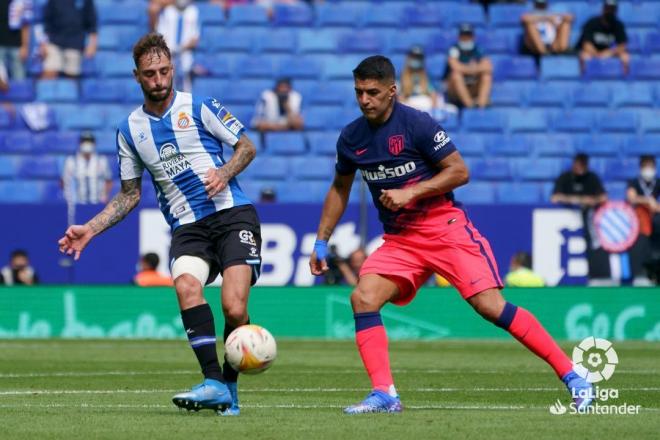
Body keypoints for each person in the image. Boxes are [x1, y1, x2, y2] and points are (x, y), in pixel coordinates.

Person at [309, 55, 593, 414]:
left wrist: (411, 192)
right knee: (363, 298)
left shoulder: (418, 125)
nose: (365, 99)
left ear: (392, 91)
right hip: (401, 240)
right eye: (359, 92)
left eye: (373, 92)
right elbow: (339, 188)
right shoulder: (351, 137)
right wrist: (321, 240)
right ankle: (385, 394)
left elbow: (460, 171)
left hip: (445, 227)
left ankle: (574, 376)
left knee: (490, 307)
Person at [58, 33, 261, 416]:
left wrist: (224, 171)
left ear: (173, 68)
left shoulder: (200, 106)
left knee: (234, 309)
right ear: (137, 76)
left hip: (232, 214)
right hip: (188, 227)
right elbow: (129, 194)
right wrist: (91, 228)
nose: (159, 80)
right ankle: (214, 382)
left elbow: (246, 147)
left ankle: (230, 389)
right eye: (150, 74)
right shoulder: (129, 130)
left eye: (164, 70)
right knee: (186, 286)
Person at [551, 153, 609, 284]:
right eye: (577, 165)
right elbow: (555, 198)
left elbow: (604, 197)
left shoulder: (592, 178)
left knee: (591, 245)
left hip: (588, 218)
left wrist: (593, 201)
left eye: (582, 165)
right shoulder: (565, 177)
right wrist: (580, 200)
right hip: (565, 220)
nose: (579, 168)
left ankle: (595, 276)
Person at [41, 0, 97, 79]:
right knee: (50, 71)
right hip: (54, 42)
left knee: (72, 77)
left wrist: (92, 44)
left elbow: (92, 24)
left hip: (75, 44)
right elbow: (47, 24)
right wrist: (43, 44)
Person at [626, 155, 660, 284]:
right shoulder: (634, 182)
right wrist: (647, 201)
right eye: (646, 166)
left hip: (655, 219)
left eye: (651, 166)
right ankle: (640, 273)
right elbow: (631, 198)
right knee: (641, 244)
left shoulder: (657, 182)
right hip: (638, 219)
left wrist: (656, 207)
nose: (648, 169)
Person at [444, 23, 492, 109]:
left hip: (473, 85)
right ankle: (470, 106)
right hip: (455, 90)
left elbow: (488, 67)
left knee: (486, 76)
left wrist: (465, 69)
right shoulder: (454, 49)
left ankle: (481, 106)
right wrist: (474, 69)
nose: (466, 39)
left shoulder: (478, 49)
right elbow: (455, 67)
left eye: (468, 36)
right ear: (459, 37)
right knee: (456, 75)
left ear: (473, 37)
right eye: (463, 36)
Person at [155, 0, 199, 92]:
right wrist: (170, 49)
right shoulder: (167, 11)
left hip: (186, 54)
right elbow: (161, 34)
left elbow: (195, 38)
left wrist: (180, 48)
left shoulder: (193, 12)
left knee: (186, 85)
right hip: (169, 53)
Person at [577, 0, 629, 75]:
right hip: (592, 52)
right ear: (603, 9)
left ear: (616, 11)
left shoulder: (618, 25)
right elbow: (586, 44)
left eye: (612, 9)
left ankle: (625, 83)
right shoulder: (592, 23)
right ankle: (585, 81)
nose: (610, 11)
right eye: (608, 8)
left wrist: (609, 53)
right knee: (584, 56)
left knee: (625, 57)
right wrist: (597, 55)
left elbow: (622, 45)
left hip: (608, 53)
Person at [61, 131, 113, 205]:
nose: (87, 144)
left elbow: (109, 181)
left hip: (97, 203)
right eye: (84, 141)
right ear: (80, 143)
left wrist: (104, 196)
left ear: (94, 144)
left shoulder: (102, 160)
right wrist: (69, 198)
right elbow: (64, 181)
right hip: (77, 204)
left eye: (90, 141)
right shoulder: (71, 161)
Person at [398, 46, 438, 114]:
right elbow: (400, 97)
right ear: (409, 58)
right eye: (413, 57)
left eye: (418, 58)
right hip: (409, 105)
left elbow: (433, 94)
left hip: (425, 104)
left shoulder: (427, 76)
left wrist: (434, 110)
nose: (416, 60)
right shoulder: (401, 77)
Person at [0, 0, 33, 81]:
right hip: (0, 46)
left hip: (17, 47)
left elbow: (25, 25)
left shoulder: (23, 1)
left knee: (19, 80)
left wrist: (25, 46)